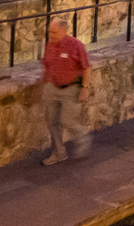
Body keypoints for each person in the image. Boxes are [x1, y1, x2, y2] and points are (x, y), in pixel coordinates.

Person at [37, 17, 91, 164]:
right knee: (51, 122)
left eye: (54, 32)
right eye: (50, 32)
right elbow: (46, 65)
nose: (51, 35)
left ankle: (83, 138)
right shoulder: (49, 45)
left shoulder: (76, 46)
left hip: (70, 89)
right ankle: (59, 153)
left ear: (64, 30)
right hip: (52, 88)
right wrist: (44, 85)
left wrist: (84, 89)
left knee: (68, 121)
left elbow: (86, 67)